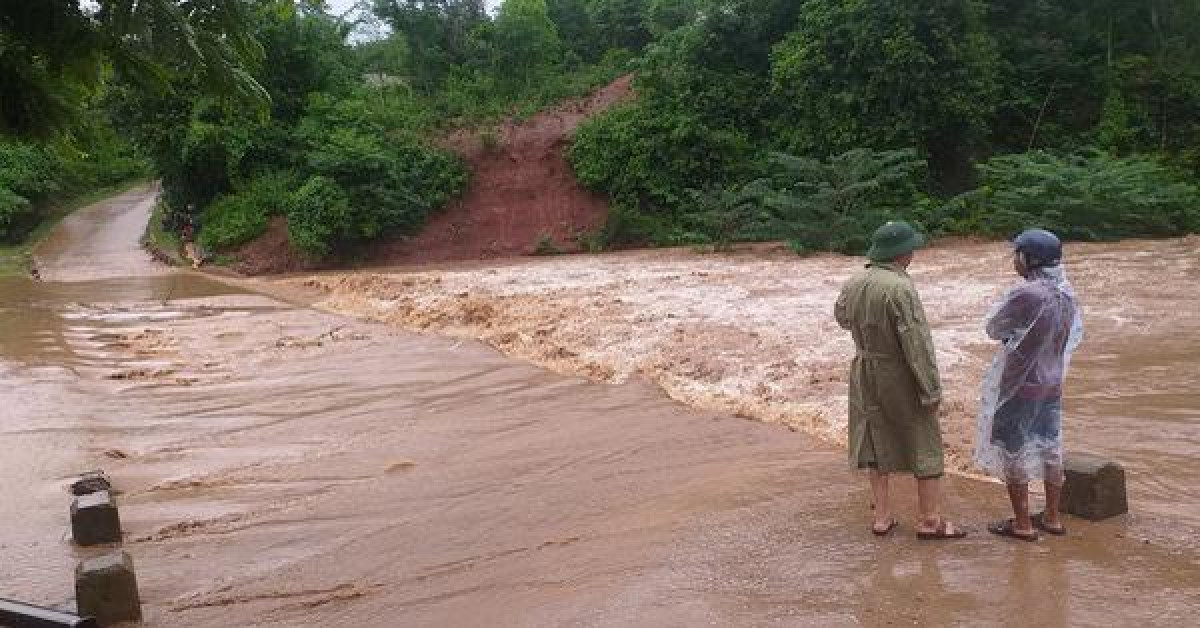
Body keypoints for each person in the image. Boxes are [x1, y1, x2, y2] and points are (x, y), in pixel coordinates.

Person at [835, 220, 966, 540]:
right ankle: (930, 519)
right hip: (898, 371)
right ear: (902, 253)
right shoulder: (901, 288)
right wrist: (931, 389)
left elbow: (841, 317)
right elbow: (916, 343)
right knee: (923, 438)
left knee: (875, 437)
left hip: (864, 367)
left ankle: (881, 516)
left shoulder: (855, 281)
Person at [975, 229, 1083, 541]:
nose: (1014, 260)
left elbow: (994, 328)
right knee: (1050, 446)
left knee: (1014, 450)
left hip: (1020, 386)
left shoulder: (1027, 294)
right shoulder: (1067, 294)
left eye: (1017, 254)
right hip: (1051, 383)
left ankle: (1022, 524)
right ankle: (1052, 517)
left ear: (1029, 259)